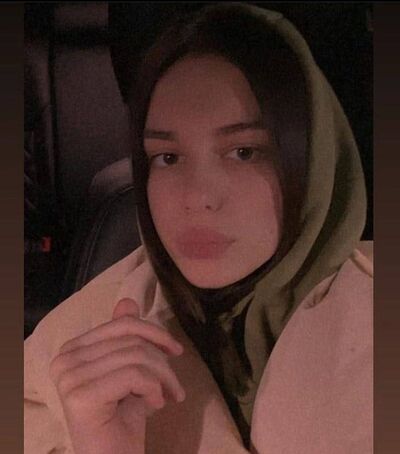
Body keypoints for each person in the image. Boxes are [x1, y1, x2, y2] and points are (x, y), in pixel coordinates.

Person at [24, 3, 373, 453]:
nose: (197, 197)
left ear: (312, 163)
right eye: (167, 158)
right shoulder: (72, 342)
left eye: (244, 152)